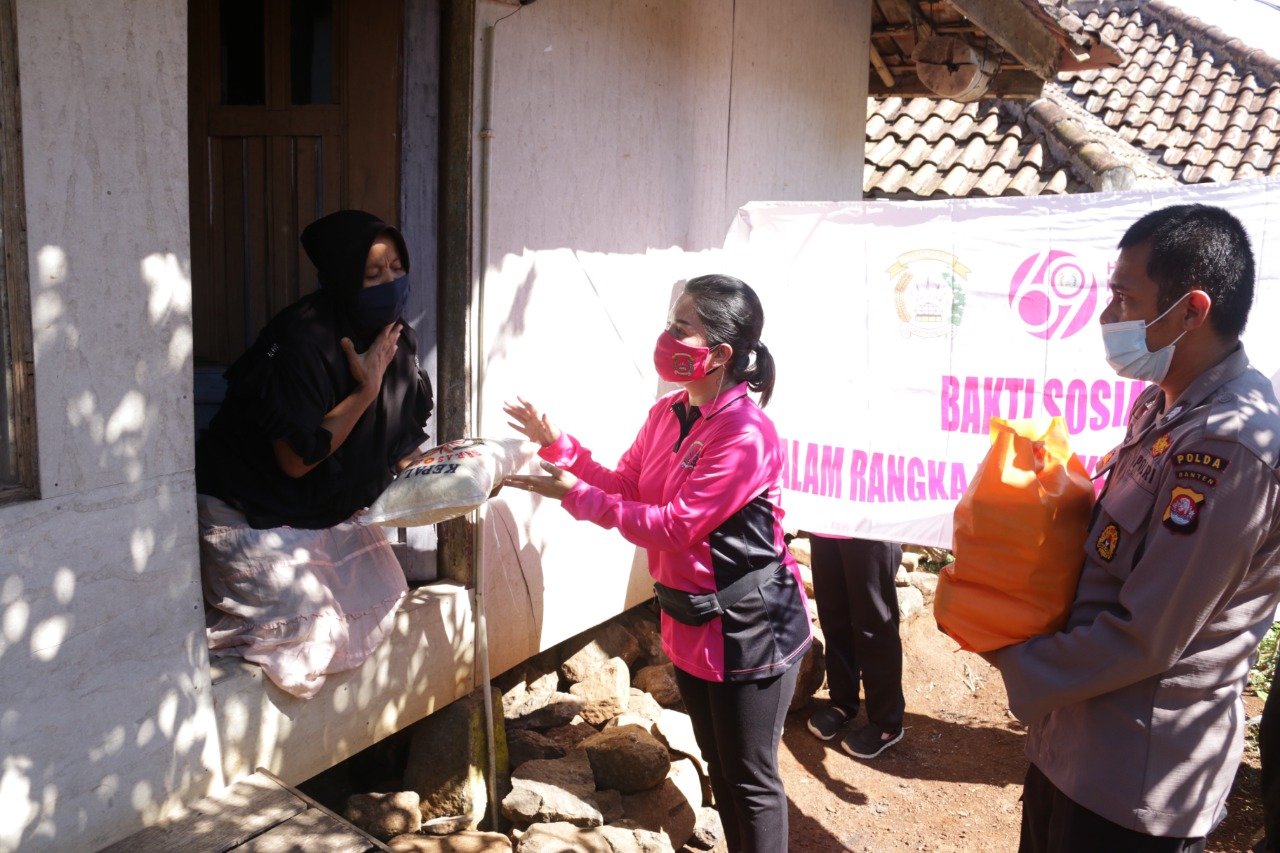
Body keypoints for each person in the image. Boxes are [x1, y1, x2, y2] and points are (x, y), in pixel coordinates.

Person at [986, 204, 1280, 851]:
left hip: (1136, 777)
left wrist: (1013, 655)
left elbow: (1149, 632)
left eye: (1124, 296)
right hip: (1075, 742)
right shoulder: (1163, 403)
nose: (1106, 315)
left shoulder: (1231, 445)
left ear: (1190, 310)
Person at [503, 274, 811, 853]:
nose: (666, 336)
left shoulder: (745, 433)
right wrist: (558, 447)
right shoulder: (668, 412)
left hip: (752, 629)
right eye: (670, 321)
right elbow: (628, 486)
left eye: (680, 326)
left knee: (751, 780)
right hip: (693, 621)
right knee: (721, 767)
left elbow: (673, 525)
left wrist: (573, 495)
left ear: (719, 353)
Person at [195, 209, 434, 699]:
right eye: (372, 274)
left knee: (385, 597)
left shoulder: (396, 339)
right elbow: (295, 460)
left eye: (396, 268)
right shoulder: (302, 340)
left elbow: (403, 450)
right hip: (253, 510)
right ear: (342, 277)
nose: (389, 283)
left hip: (323, 510)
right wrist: (365, 389)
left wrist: (459, 473)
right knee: (309, 633)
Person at [804, 535, 906, 758]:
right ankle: (842, 703)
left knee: (874, 624)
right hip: (828, 522)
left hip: (873, 523)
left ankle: (886, 723)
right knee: (833, 613)